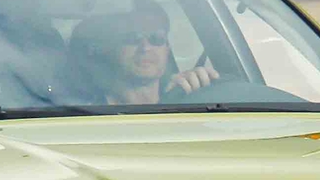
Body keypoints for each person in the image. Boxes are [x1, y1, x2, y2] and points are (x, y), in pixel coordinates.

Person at [63, 6, 219, 107]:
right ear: (110, 49)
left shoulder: (193, 98)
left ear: (167, 49)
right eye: (132, 38)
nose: (145, 47)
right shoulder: (84, 111)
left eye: (156, 38)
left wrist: (199, 85)